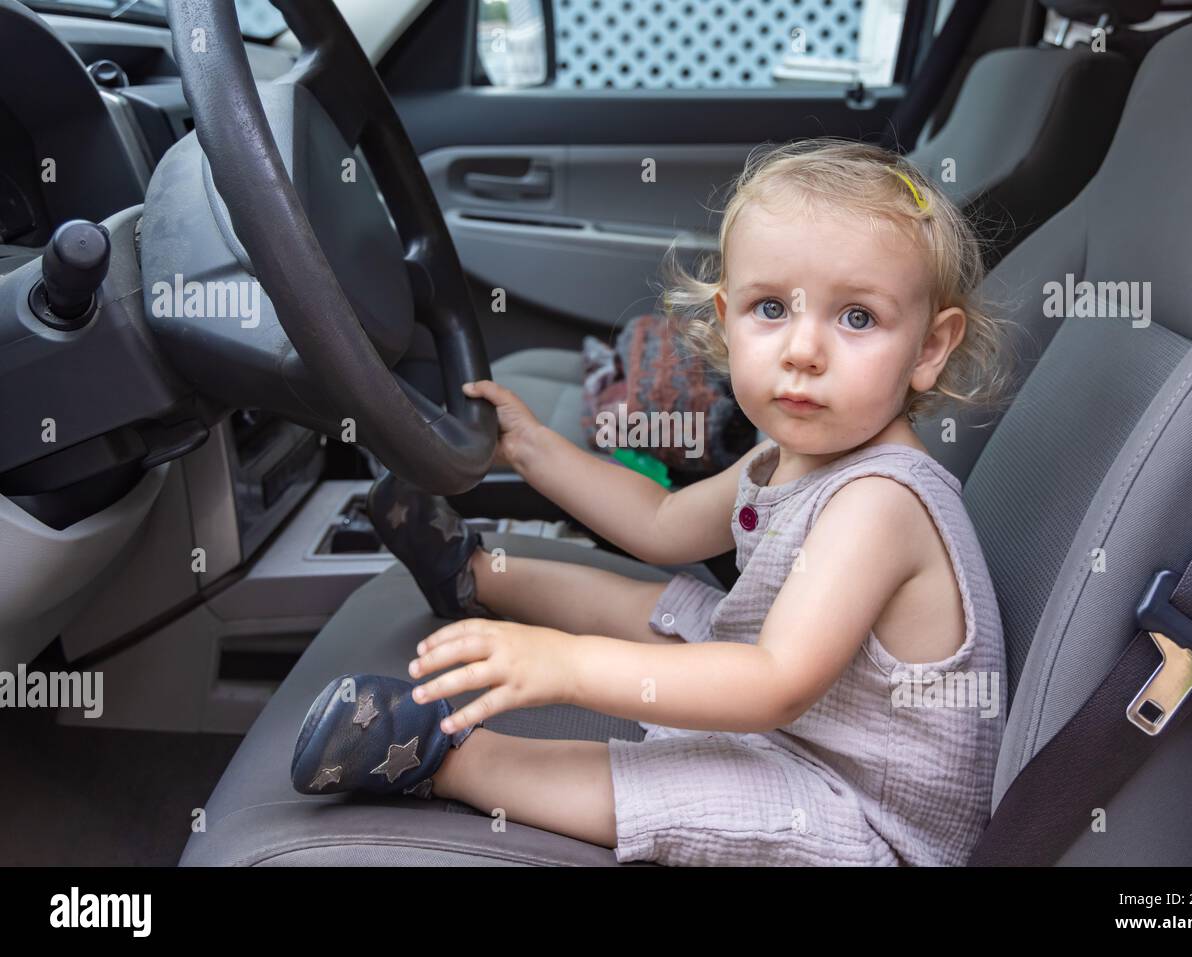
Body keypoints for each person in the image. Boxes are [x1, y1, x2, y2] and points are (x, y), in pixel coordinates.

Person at [292, 137, 1015, 866]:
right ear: (729, 320)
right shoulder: (792, 456)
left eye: (856, 318)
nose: (803, 349)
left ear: (929, 348)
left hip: (861, 816)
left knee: (696, 787)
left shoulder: (879, 503)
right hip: (805, 725)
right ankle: (473, 573)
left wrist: (566, 665)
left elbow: (774, 683)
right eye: (770, 307)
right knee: (670, 607)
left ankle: (440, 755)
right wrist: (533, 449)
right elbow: (660, 522)